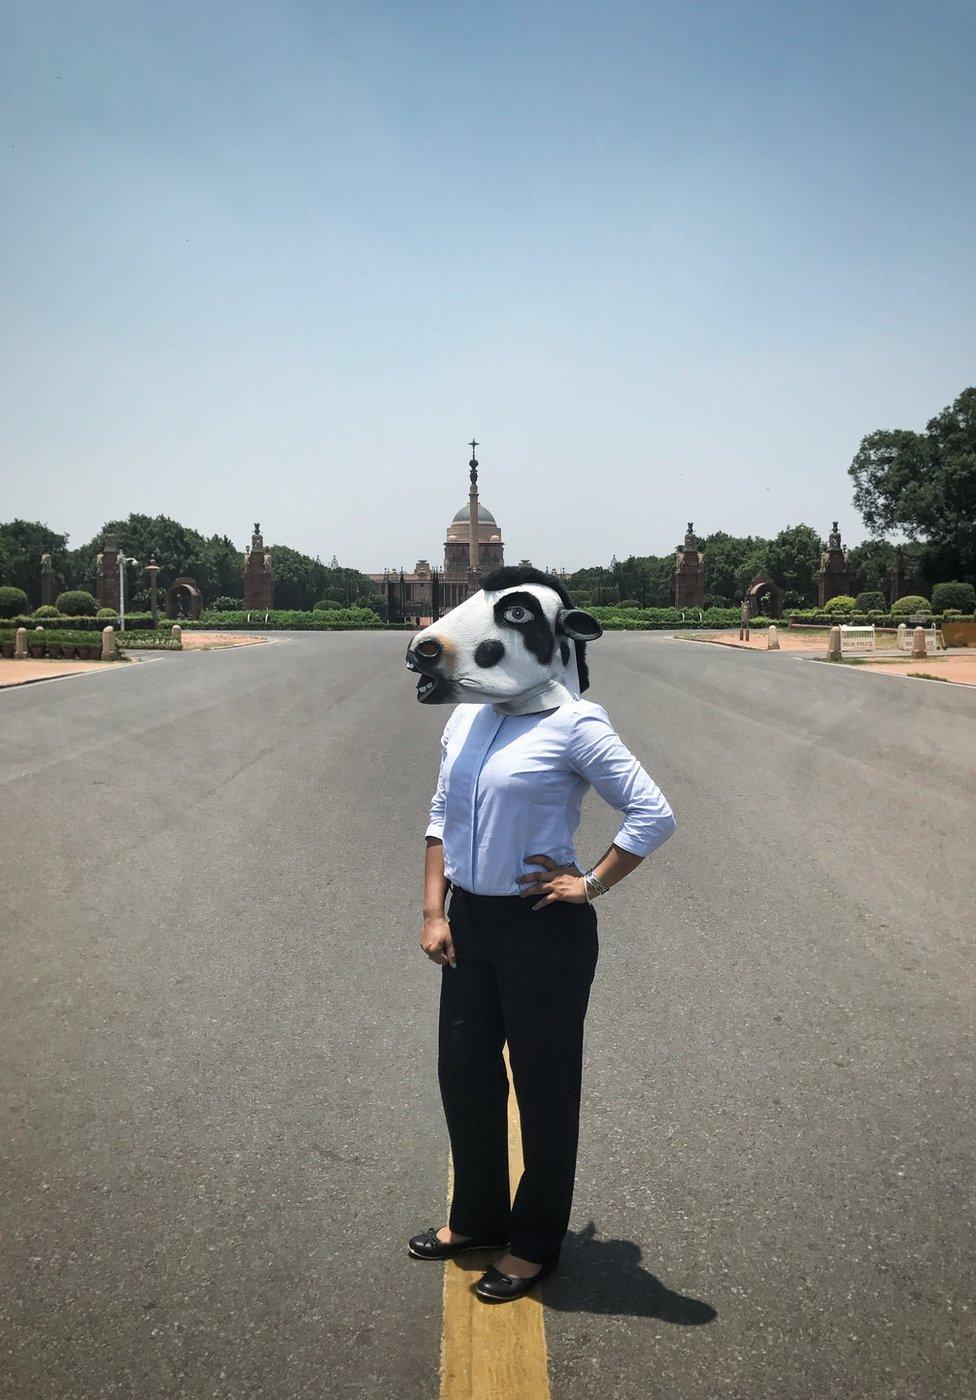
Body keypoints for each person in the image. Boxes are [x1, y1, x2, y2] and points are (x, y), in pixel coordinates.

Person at [404, 566, 676, 1302]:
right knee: (464, 1075)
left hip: (543, 932)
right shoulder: (469, 716)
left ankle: (533, 1243)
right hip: (468, 921)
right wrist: (435, 912)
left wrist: (588, 883)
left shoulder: (575, 722)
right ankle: (479, 1219)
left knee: (545, 1089)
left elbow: (653, 814)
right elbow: (439, 818)